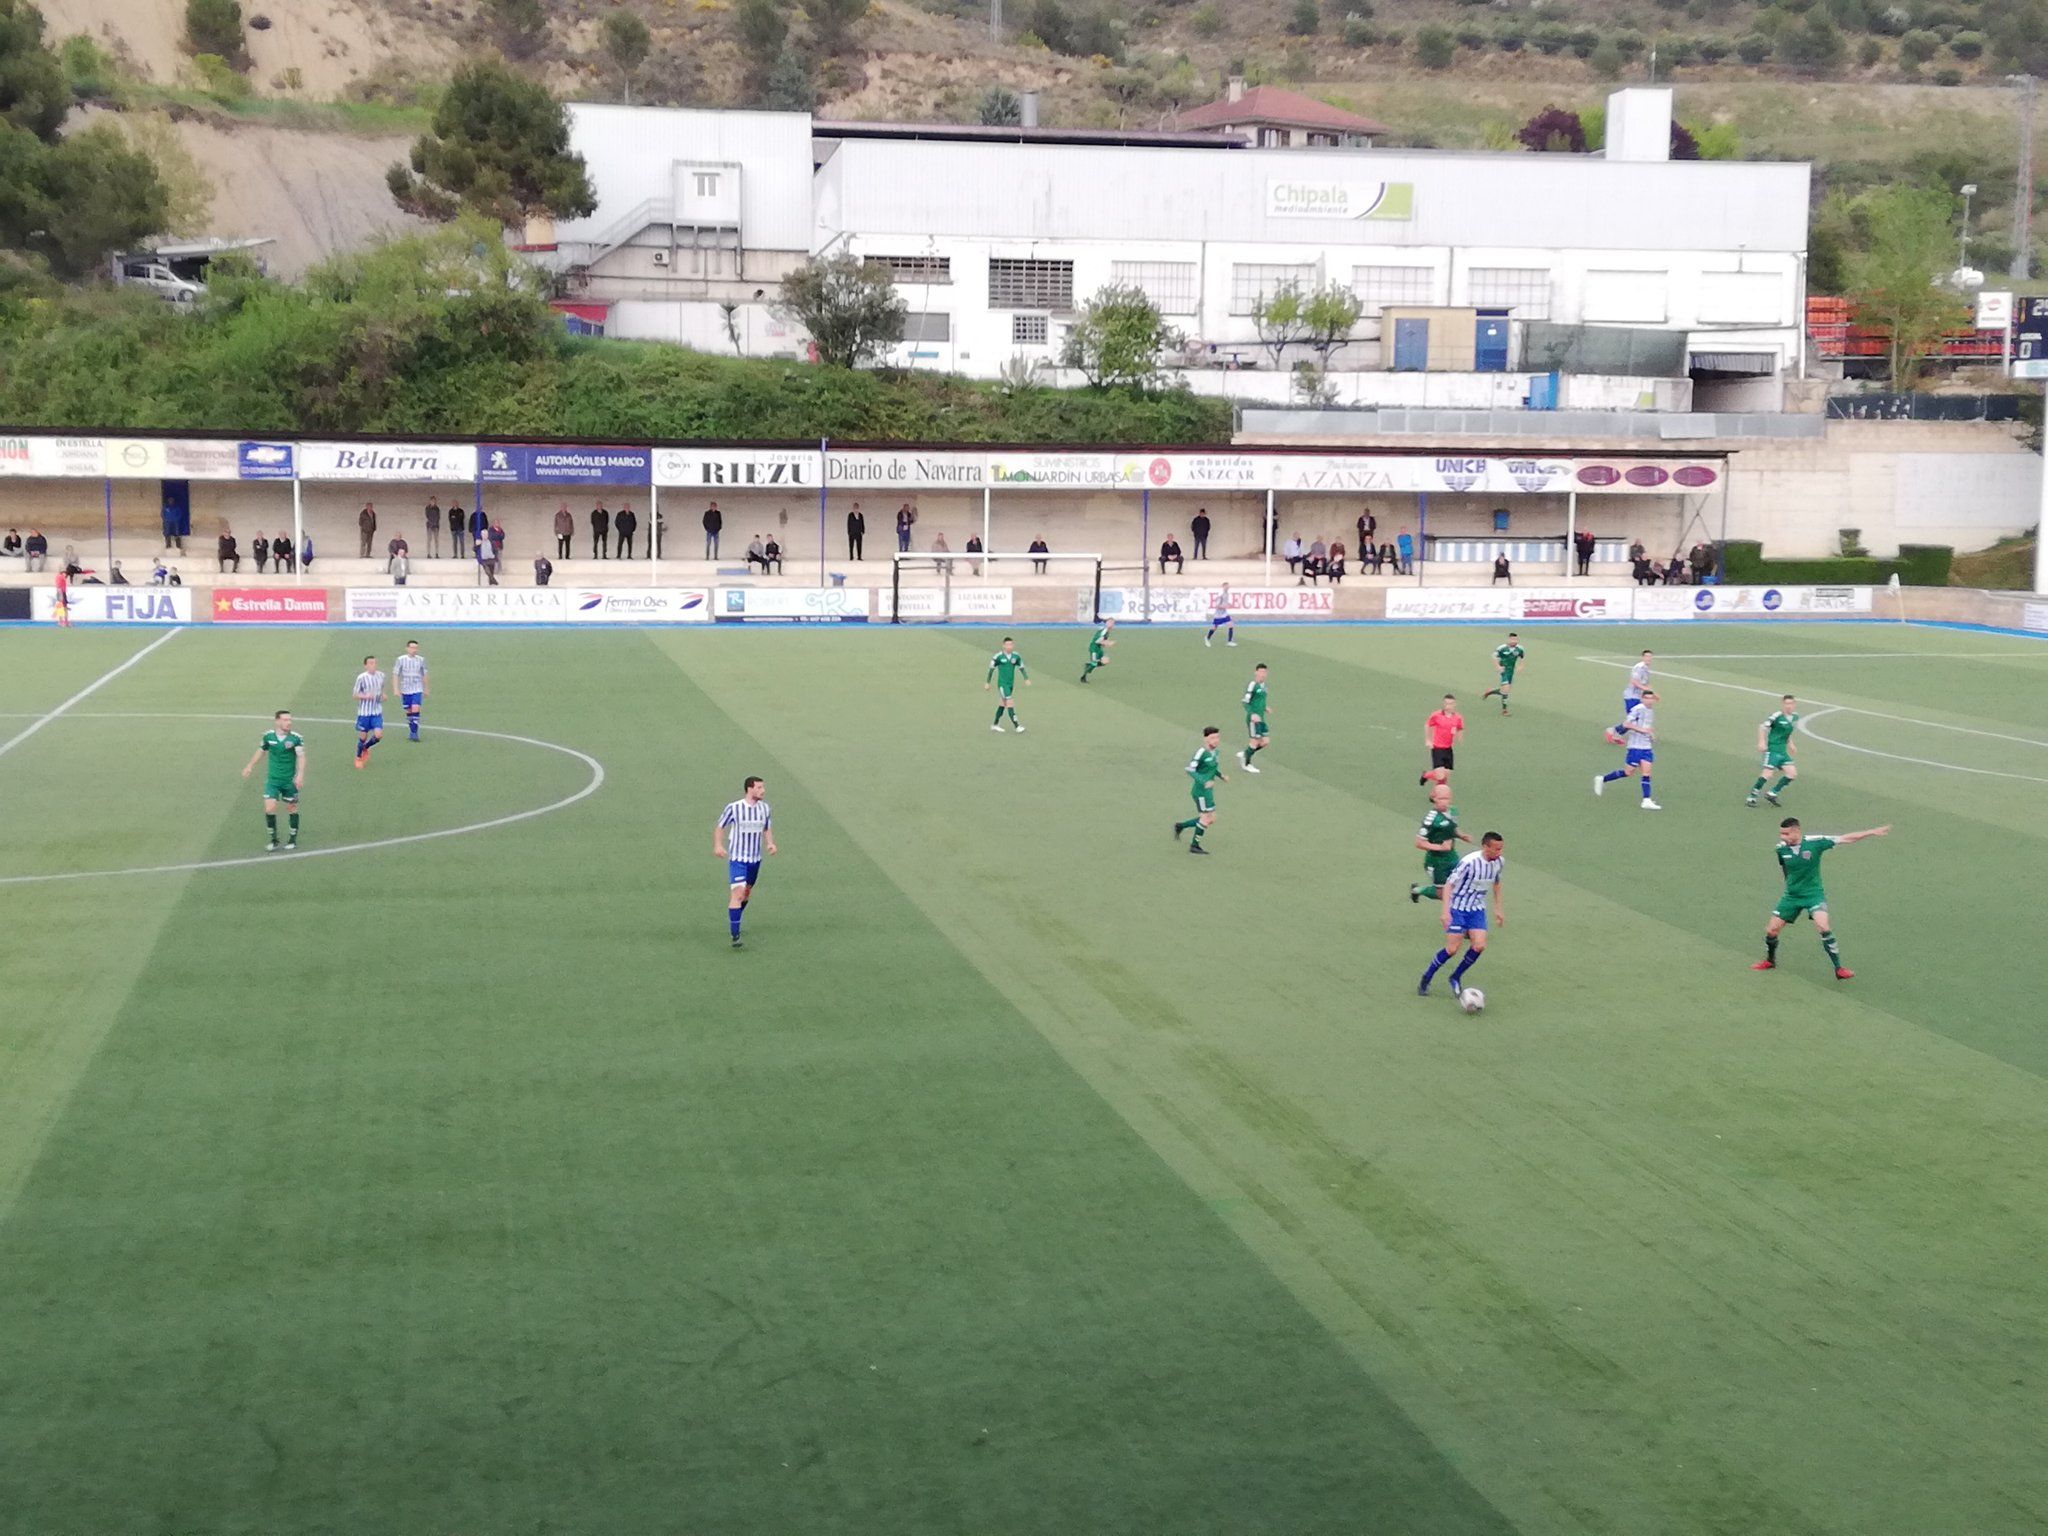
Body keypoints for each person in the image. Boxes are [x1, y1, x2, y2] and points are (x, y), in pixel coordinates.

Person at [1753, 819, 1889, 980]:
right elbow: (1786, 869)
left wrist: (1871, 832)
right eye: (1781, 833)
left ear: (1797, 831)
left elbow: (1845, 838)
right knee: (1771, 930)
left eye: (1786, 833)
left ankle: (1839, 969)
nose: (1782, 837)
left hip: (1813, 895)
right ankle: (1770, 961)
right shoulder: (1780, 849)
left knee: (1823, 926)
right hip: (1791, 896)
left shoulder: (1815, 842)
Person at [1418, 833, 1505, 1000]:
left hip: (1477, 909)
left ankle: (1455, 977)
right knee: (1452, 949)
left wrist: (1498, 908)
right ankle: (1426, 977)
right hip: (1457, 907)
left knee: (1479, 945)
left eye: (1501, 849)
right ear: (1486, 847)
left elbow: (1497, 883)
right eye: (1497, 849)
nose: (1500, 853)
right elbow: (1449, 885)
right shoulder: (1469, 862)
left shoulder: (1499, 862)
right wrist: (1445, 911)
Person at [714, 775, 777, 949]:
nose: (762, 791)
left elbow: (766, 828)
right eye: (759, 787)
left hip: (755, 859)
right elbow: (720, 826)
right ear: (749, 789)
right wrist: (718, 845)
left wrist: (770, 843)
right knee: (738, 893)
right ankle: (735, 934)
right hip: (738, 859)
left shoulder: (764, 809)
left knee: (746, 892)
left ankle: (736, 916)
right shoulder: (734, 808)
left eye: (763, 787)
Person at [241, 709, 307, 852]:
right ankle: (274, 840)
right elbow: (261, 751)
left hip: (289, 781)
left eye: (290, 720)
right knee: (269, 807)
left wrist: (300, 774)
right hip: (273, 780)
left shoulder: (295, 738)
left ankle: (292, 839)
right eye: (285, 720)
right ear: (277, 721)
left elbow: (301, 757)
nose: (289, 722)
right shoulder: (268, 737)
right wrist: (249, 766)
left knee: (291, 808)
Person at [1595, 687, 1661, 810]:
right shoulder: (1638, 709)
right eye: (1646, 698)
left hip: (1646, 747)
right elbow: (1626, 724)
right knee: (1628, 772)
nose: (1649, 700)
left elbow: (1646, 726)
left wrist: (1650, 734)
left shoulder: (1650, 711)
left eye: (1651, 698)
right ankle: (1602, 779)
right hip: (1635, 747)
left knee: (1647, 773)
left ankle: (1646, 800)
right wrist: (1643, 730)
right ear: (1642, 699)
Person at [1409, 780, 1471, 904]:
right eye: (1441, 798)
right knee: (1441, 894)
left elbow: (1452, 828)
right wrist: (1439, 847)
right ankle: (1416, 890)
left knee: (1462, 883)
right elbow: (1419, 843)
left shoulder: (1453, 811)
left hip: (1451, 856)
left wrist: (1461, 835)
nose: (1444, 802)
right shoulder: (1430, 819)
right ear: (1434, 799)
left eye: (1447, 798)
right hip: (1436, 862)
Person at [1171, 726, 1228, 855]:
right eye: (1212, 738)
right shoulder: (1201, 752)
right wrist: (1204, 781)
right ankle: (1194, 846)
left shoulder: (1215, 752)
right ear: (1205, 739)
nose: (1216, 740)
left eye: (1217, 737)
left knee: (1211, 818)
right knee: (1206, 819)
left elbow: (1212, 768)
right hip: (1200, 791)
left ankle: (1181, 826)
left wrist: (1221, 776)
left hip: (1208, 791)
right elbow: (1190, 769)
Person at [1748, 695, 1801, 807]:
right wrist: (1761, 742)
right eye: (1787, 703)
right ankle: (1752, 796)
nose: (1789, 706)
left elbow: (1788, 733)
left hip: (1782, 751)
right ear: (1783, 704)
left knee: (1792, 773)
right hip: (1772, 750)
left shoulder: (1795, 717)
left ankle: (1772, 793)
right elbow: (1762, 727)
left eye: (1791, 703)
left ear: (1794, 705)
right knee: (1768, 774)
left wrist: (1791, 744)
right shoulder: (1777, 716)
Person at [986, 636, 1030, 731]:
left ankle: (995, 724)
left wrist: (1026, 678)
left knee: (1002, 704)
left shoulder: (1016, 657)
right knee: (1010, 703)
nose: (1009, 646)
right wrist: (987, 682)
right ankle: (1017, 726)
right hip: (1002, 685)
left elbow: (1021, 667)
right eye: (1007, 644)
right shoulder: (998, 657)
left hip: (1010, 685)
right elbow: (991, 669)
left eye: (1011, 644)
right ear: (1003, 646)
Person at [1607, 651, 1653, 742]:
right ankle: (1614, 731)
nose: (1649, 658)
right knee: (1634, 718)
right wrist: (1645, 689)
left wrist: (1650, 694)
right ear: (1643, 657)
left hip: (1638, 697)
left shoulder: (1646, 669)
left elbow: (1645, 684)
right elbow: (1634, 682)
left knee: (1637, 716)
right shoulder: (1639, 668)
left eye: (1650, 657)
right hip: (1631, 696)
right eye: (1647, 656)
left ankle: (1617, 733)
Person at [1420, 694, 1463, 787]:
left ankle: (1431, 787)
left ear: (1455, 704)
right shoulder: (1436, 715)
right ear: (1443, 704)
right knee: (1440, 776)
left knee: (1445, 776)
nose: (1449, 706)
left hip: (1448, 749)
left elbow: (1459, 728)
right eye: (1447, 703)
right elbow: (1427, 725)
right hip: (1437, 748)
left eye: (1451, 704)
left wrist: (1459, 738)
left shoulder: (1457, 717)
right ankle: (1428, 780)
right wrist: (1428, 740)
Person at [352, 655, 386, 769]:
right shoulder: (361, 678)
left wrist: (383, 695)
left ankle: (365, 748)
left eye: (374, 663)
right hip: (364, 713)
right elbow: (355, 694)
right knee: (363, 736)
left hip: (376, 712)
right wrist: (366, 696)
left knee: (378, 735)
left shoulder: (381, 675)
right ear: (366, 665)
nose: (373, 665)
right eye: (370, 663)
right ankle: (358, 757)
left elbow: (381, 688)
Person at [1481, 632, 1525, 715]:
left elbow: (1522, 657)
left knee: (1504, 691)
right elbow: (1494, 656)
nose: (1513, 641)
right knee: (1506, 689)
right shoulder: (1502, 648)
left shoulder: (1520, 649)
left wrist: (1521, 666)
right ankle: (1504, 710)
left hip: (1511, 671)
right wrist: (1498, 666)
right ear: (1508, 639)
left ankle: (1490, 691)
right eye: (1512, 639)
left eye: (1515, 639)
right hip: (1503, 670)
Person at [394, 640, 429, 742]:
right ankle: (412, 730)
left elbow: (424, 674)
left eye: (416, 648)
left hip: (417, 688)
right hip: (405, 689)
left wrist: (426, 688)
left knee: (415, 708)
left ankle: (415, 732)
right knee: (409, 710)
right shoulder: (401, 660)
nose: (414, 650)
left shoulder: (421, 660)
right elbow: (395, 674)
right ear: (407, 648)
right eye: (412, 648)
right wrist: (396, 689)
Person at [1240, 663, 1271, 772]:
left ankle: (1246, 753)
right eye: (1261, 672)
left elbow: (1259, 700)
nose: (1263, 674)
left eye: (1265, 672)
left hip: (1261, 718)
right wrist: (1252, 713)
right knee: (1255, 742)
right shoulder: (1252, 685)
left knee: (1265, 741)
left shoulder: (1265, 687)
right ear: (1256, 672)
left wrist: (1265, 707)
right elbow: (1245, 701)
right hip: (1253, 719)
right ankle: (1246, 764)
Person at [1080, 615, 1115, 682]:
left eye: (1113, 623)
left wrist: (1106, 644)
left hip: (1098, 648)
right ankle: (1083, 676)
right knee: (1094, 663)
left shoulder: (1106, 632)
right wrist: (1108, 643)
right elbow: (1097, 641)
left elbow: (1101, 642)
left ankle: (1088, 666)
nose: (1111, 624)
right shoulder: (1104, 631)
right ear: (1107, 623)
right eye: (1110, 622)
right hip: (1094, 648)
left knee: (1105, 661)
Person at [1205, 583, 1236, 648]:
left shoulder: (1227, 594)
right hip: (1218, 615)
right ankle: (1207, 638)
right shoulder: (1220, 595)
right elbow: (1217, 606)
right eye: (1226, 587)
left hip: (1224, 614)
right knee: (1214, 627)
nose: (1227, 588)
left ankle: (1229, 641)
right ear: (1223, 587)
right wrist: (1225, 606)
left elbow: (1225, 602)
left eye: (1228, 587)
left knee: (1231, 625)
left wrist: (1229, 604)